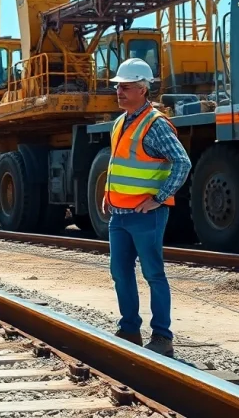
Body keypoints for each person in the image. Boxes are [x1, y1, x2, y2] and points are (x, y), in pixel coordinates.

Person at [102, 57, 191, 358]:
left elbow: (182, 162)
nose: (120, 92)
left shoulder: (155, 124)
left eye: (126, 87)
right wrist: (108, 193)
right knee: (120, 272)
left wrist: (160, 196)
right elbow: (119, 164)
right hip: (120, 214)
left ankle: (162, 337)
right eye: (118, 87)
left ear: (143, 89)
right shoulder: (119, 122)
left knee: (153, 274)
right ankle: (129, 329)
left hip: (147, 215)